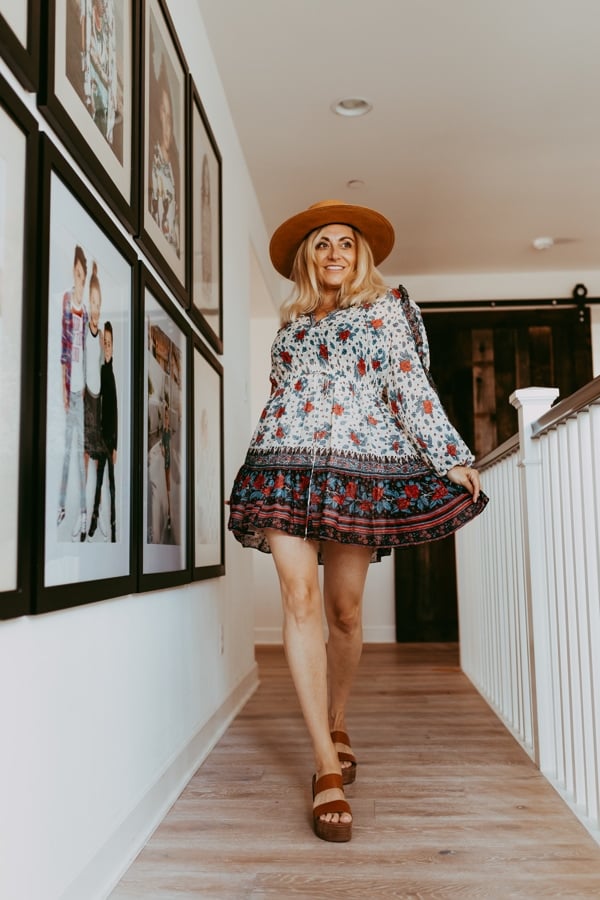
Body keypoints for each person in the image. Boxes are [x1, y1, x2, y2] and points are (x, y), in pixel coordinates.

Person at [228, 199, 489, 843]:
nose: (335, 253)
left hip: (358, 474)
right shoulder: (288, 331)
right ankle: (324, 767)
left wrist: (449, 455)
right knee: (300, 597)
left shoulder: (386, 309)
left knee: (344, 610)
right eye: (322, 245)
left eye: (346, 243)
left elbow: (410, 384)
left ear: (360, 254)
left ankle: (338, 719)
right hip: (282, 464)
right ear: (307, 259)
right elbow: (280, 395)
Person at [58, 244, 89, 542]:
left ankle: (81, 509)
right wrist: (64, 389)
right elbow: (64, 353)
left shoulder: (87, 310)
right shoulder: (67, 301)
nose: (78, 279)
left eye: (82, 275)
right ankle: (60, 506)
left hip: (84, 392)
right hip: (72, 389)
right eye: (76, 274)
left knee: (80, 452)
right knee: (67, 451)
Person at [88, 320, 117, 543]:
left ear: (113, 346)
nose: (106, 346)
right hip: (100, 439)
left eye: (109, 343)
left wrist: (114, 445)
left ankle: (112, 524)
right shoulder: (101, 370)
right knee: (99, 482)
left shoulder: (111, 373)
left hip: (109, 440)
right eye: (104, 342)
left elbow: (113, 411)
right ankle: (95, 521)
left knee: (111, 485)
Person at [149, 57, 180, 256]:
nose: (166, 124)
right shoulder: (151, 161)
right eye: (162, 112)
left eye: (170, 117)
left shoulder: (174, 173)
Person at [84, 261, 104, 535]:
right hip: (85, 400)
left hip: (97, 405)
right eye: (93, 302)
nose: (96, 308)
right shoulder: (85, 333)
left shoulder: (100, 339)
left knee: (96, 468)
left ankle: (93, 515)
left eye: (99, 302)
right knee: (85, 463)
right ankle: (85, 513)